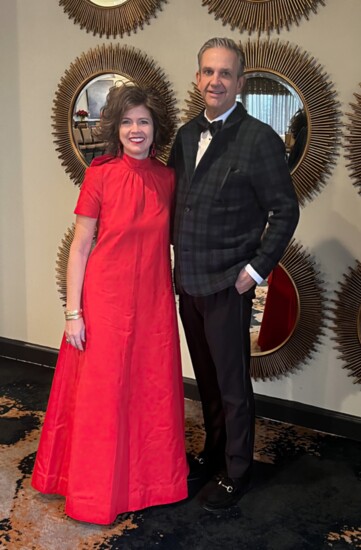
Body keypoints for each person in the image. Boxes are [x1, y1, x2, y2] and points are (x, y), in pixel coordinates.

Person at [32, 84, 188, 525]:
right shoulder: (99, 174)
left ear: (156, 128)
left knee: (149, 394)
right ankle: (92, 490)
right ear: (115, 128)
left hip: (153, 300)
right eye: (126, 122)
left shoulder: (168, 178)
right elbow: (81, 246)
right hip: (104, 299)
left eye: (143, 121)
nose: (135, 130)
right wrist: (72, 312)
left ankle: (149, 483)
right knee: (102, 397)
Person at [169, 37, 299, 512]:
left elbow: (284, 211)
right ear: (197, 78)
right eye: (208, 72)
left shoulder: (260, 138)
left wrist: (255, 269)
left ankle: (238, 469)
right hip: (189, 281)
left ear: (240, 83)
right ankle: (214, 453)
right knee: (205, 378)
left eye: (225, 73)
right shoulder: (184, 136)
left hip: (228, 283)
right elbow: (174, 205)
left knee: (232, 384)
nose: (215, 81)